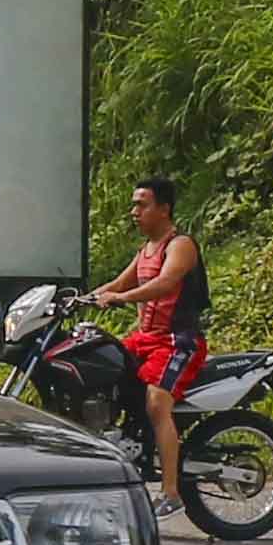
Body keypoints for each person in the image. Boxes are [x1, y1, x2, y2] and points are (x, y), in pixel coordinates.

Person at [100, 176, 207, 484]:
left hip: (177, 342)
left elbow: (164, 283)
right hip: (147, 339)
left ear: (164, 209)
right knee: (103, 364)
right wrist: (78, 298)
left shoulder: (180, 245)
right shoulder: (147, 249)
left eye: (141, 205)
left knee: (157, 403)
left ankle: (171, 492)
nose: (134, 211)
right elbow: (119, 283)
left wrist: (120, 298)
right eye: (134, 205)